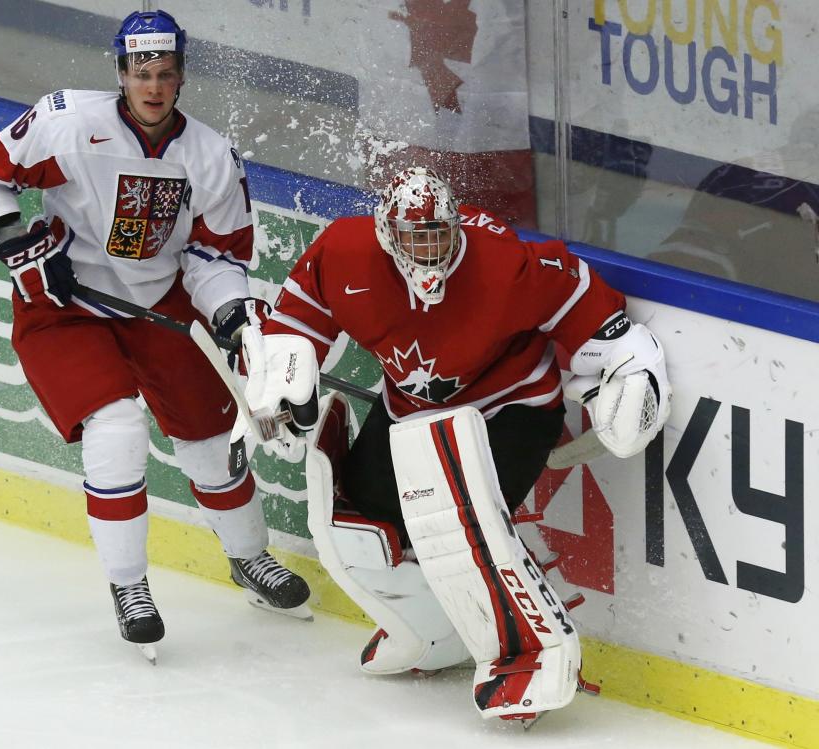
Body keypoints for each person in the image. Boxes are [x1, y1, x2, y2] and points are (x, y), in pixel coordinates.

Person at [233, 167, 671, 721]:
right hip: (411, 413)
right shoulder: (343, 252)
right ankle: (436, 630)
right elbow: (295, 326)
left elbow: (597, 316)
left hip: (509, 408)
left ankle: (533, 652)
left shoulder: (502, 263)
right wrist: (276, 389)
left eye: (438, 233)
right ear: (387, 233)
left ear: (456, 225)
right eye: (415, 237)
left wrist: (631, 373)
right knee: (364, 511)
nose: (429, 249)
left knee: (464, 524)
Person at [0, 10, 311, 661]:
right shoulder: (68, 122)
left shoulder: (207, 154)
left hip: (160, 301)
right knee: (117, 430)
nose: (153, 85)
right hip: (65, 306)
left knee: (210, 442)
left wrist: (231, 312)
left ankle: (248, 559)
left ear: (180, 79)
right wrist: (17, 240)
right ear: (121, 73)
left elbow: (216, 257)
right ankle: (130, 588)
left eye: (165, 73)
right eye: (141, 72)